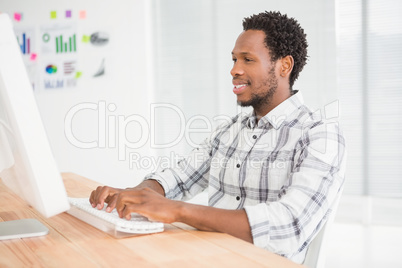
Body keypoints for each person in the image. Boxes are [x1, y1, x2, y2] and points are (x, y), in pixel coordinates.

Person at [89, 11, 346, 264]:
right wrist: (133, 195)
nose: (234, 70)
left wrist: (178, 211)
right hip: (207, 256)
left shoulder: (320, 135)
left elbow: (290, 225)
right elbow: (177, 179)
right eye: (234, 59)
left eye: (247, 59)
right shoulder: (228, 131)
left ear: (284, 66)